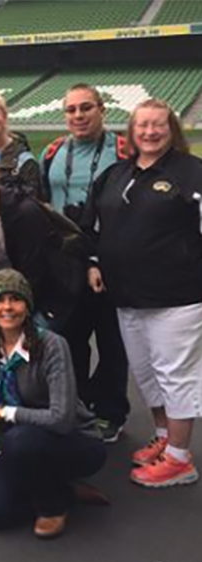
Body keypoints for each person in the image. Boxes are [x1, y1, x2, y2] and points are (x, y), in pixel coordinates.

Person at [82, 99, 202, 488]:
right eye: (143, 126)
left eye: (159, 126)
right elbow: (93, 225)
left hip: (176, 297)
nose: (150, 133)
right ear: (132, 131)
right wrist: (94, 262)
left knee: (176, 375)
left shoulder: (191, 173)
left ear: (172, 130)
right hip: (126, 296)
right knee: (147, 373)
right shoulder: (117, 174)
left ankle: (181, 460)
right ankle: (165, 439)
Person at [0, 269, 106, 539]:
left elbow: (62, 419)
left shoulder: (52, 345)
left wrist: (8, 413)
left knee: (22, 439)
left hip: (74, 440)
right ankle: (66, 491)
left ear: (28, 305)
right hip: (18, 439)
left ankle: (52, 507)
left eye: (15, 299)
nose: (7, 307)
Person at [41, 84, 130, 443]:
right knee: (71, 338)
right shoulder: (53, 150)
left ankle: (111, 411)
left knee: (111, 340)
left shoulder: (122, 149)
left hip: (110, 257)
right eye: (71, 109)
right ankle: (76, 405)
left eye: (86, 108)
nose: (78, 116)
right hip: (67, 261)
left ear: (102, 110)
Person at [0, 146, 74, 330]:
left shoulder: (24, 212)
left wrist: (11, 313)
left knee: (28, 347)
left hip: (47, 294)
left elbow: (37, 270)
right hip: (3, 297)